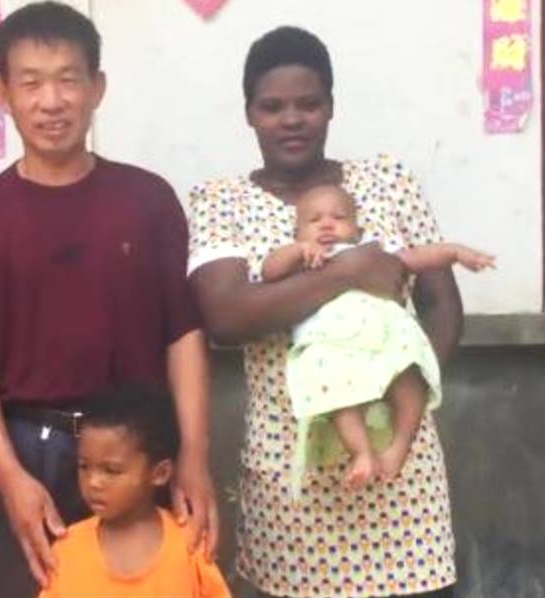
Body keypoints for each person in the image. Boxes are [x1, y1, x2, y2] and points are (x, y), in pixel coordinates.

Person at [0, 3, 217, 597]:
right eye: (30, 82)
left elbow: (183, 335)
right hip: (32, 454)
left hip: (139, 451)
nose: (50, 101)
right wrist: (10, 478)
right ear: (2, 92)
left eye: (67, 79)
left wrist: (194, 456)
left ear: (96, 87)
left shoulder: (147, 201)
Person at [187, 26, 460, 598]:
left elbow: (440, 304)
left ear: (331, 107)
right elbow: (228, 316)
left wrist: (402, 390)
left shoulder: (386, 181)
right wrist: (348, 271)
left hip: (398, 471)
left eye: (308, 104)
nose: (292, 119)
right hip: (292, 475)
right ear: (249, 114)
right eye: (273, 106)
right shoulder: (220, 201)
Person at [262, 184, 493, 492]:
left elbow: (416, 258)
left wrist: (454, 252)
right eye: (314, 220)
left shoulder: (373, 253)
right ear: (297, 231)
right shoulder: (302, 261)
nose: (327, 224)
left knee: (411, 376)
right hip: (334, 346)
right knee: (336, 393)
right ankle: (362, 453)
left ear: (357, 230)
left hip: (386, 336)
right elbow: (269, 271)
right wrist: (297, 251)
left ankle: (400, 445)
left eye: (338, 217)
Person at [38, 385, 232, 598]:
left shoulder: (188, 546)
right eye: (84, 466)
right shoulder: (68, 550)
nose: (93, 482)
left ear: (160, 473)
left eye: (111, 470)